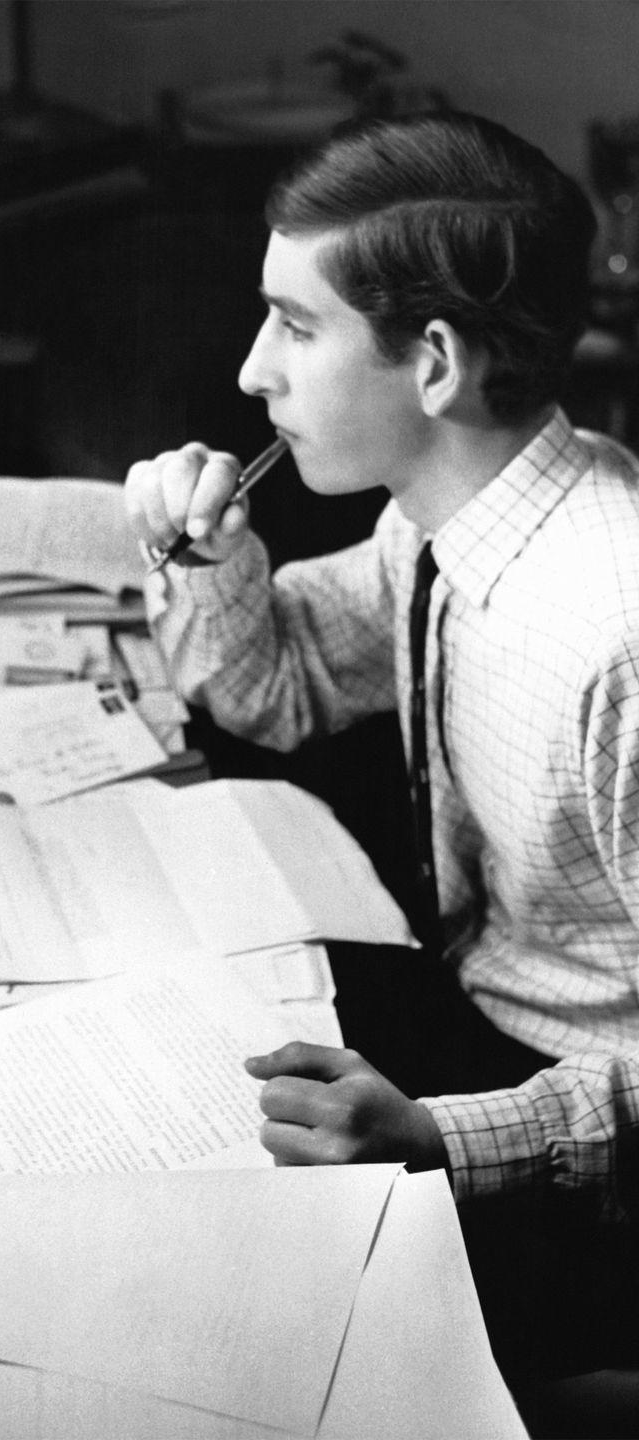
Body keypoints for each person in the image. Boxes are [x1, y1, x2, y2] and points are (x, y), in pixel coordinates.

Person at [124, 110, 639, 1385]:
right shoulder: (447, 518)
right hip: (473, 1016)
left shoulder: (616, 636)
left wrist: (445, 1138)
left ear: (437, 365)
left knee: (220, 1340)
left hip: (579, 1137)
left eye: (296, 327)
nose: (253, 372)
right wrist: (213, 553)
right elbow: (279, 687)